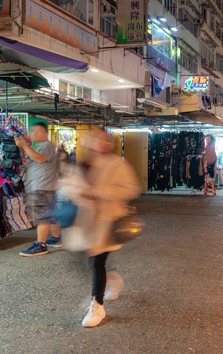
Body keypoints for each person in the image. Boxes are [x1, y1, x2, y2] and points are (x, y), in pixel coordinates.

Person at [61, 127, 141, 328]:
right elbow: (75, 187)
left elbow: (132, 189)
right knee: (81, 259)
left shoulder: (116, 164)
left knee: (97, 261)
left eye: (105, 139)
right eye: (96, 138)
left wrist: (98, 191)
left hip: (107, 219)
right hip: (85, 220)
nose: (100, 142)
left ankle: (97, 305)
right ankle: (111, 279)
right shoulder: (84, 163)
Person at [16, 122, 62, 257]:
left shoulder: (47, 145)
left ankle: (41, 245)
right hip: (46, 186)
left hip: (42, 187)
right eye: (33, 132)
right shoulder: (40, 146)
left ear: (46, 133)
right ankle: (56, 238)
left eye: (38, 131)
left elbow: (40, 159)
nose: (34, 134)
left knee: (42, 216)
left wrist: (24, 145)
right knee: (50, 215)